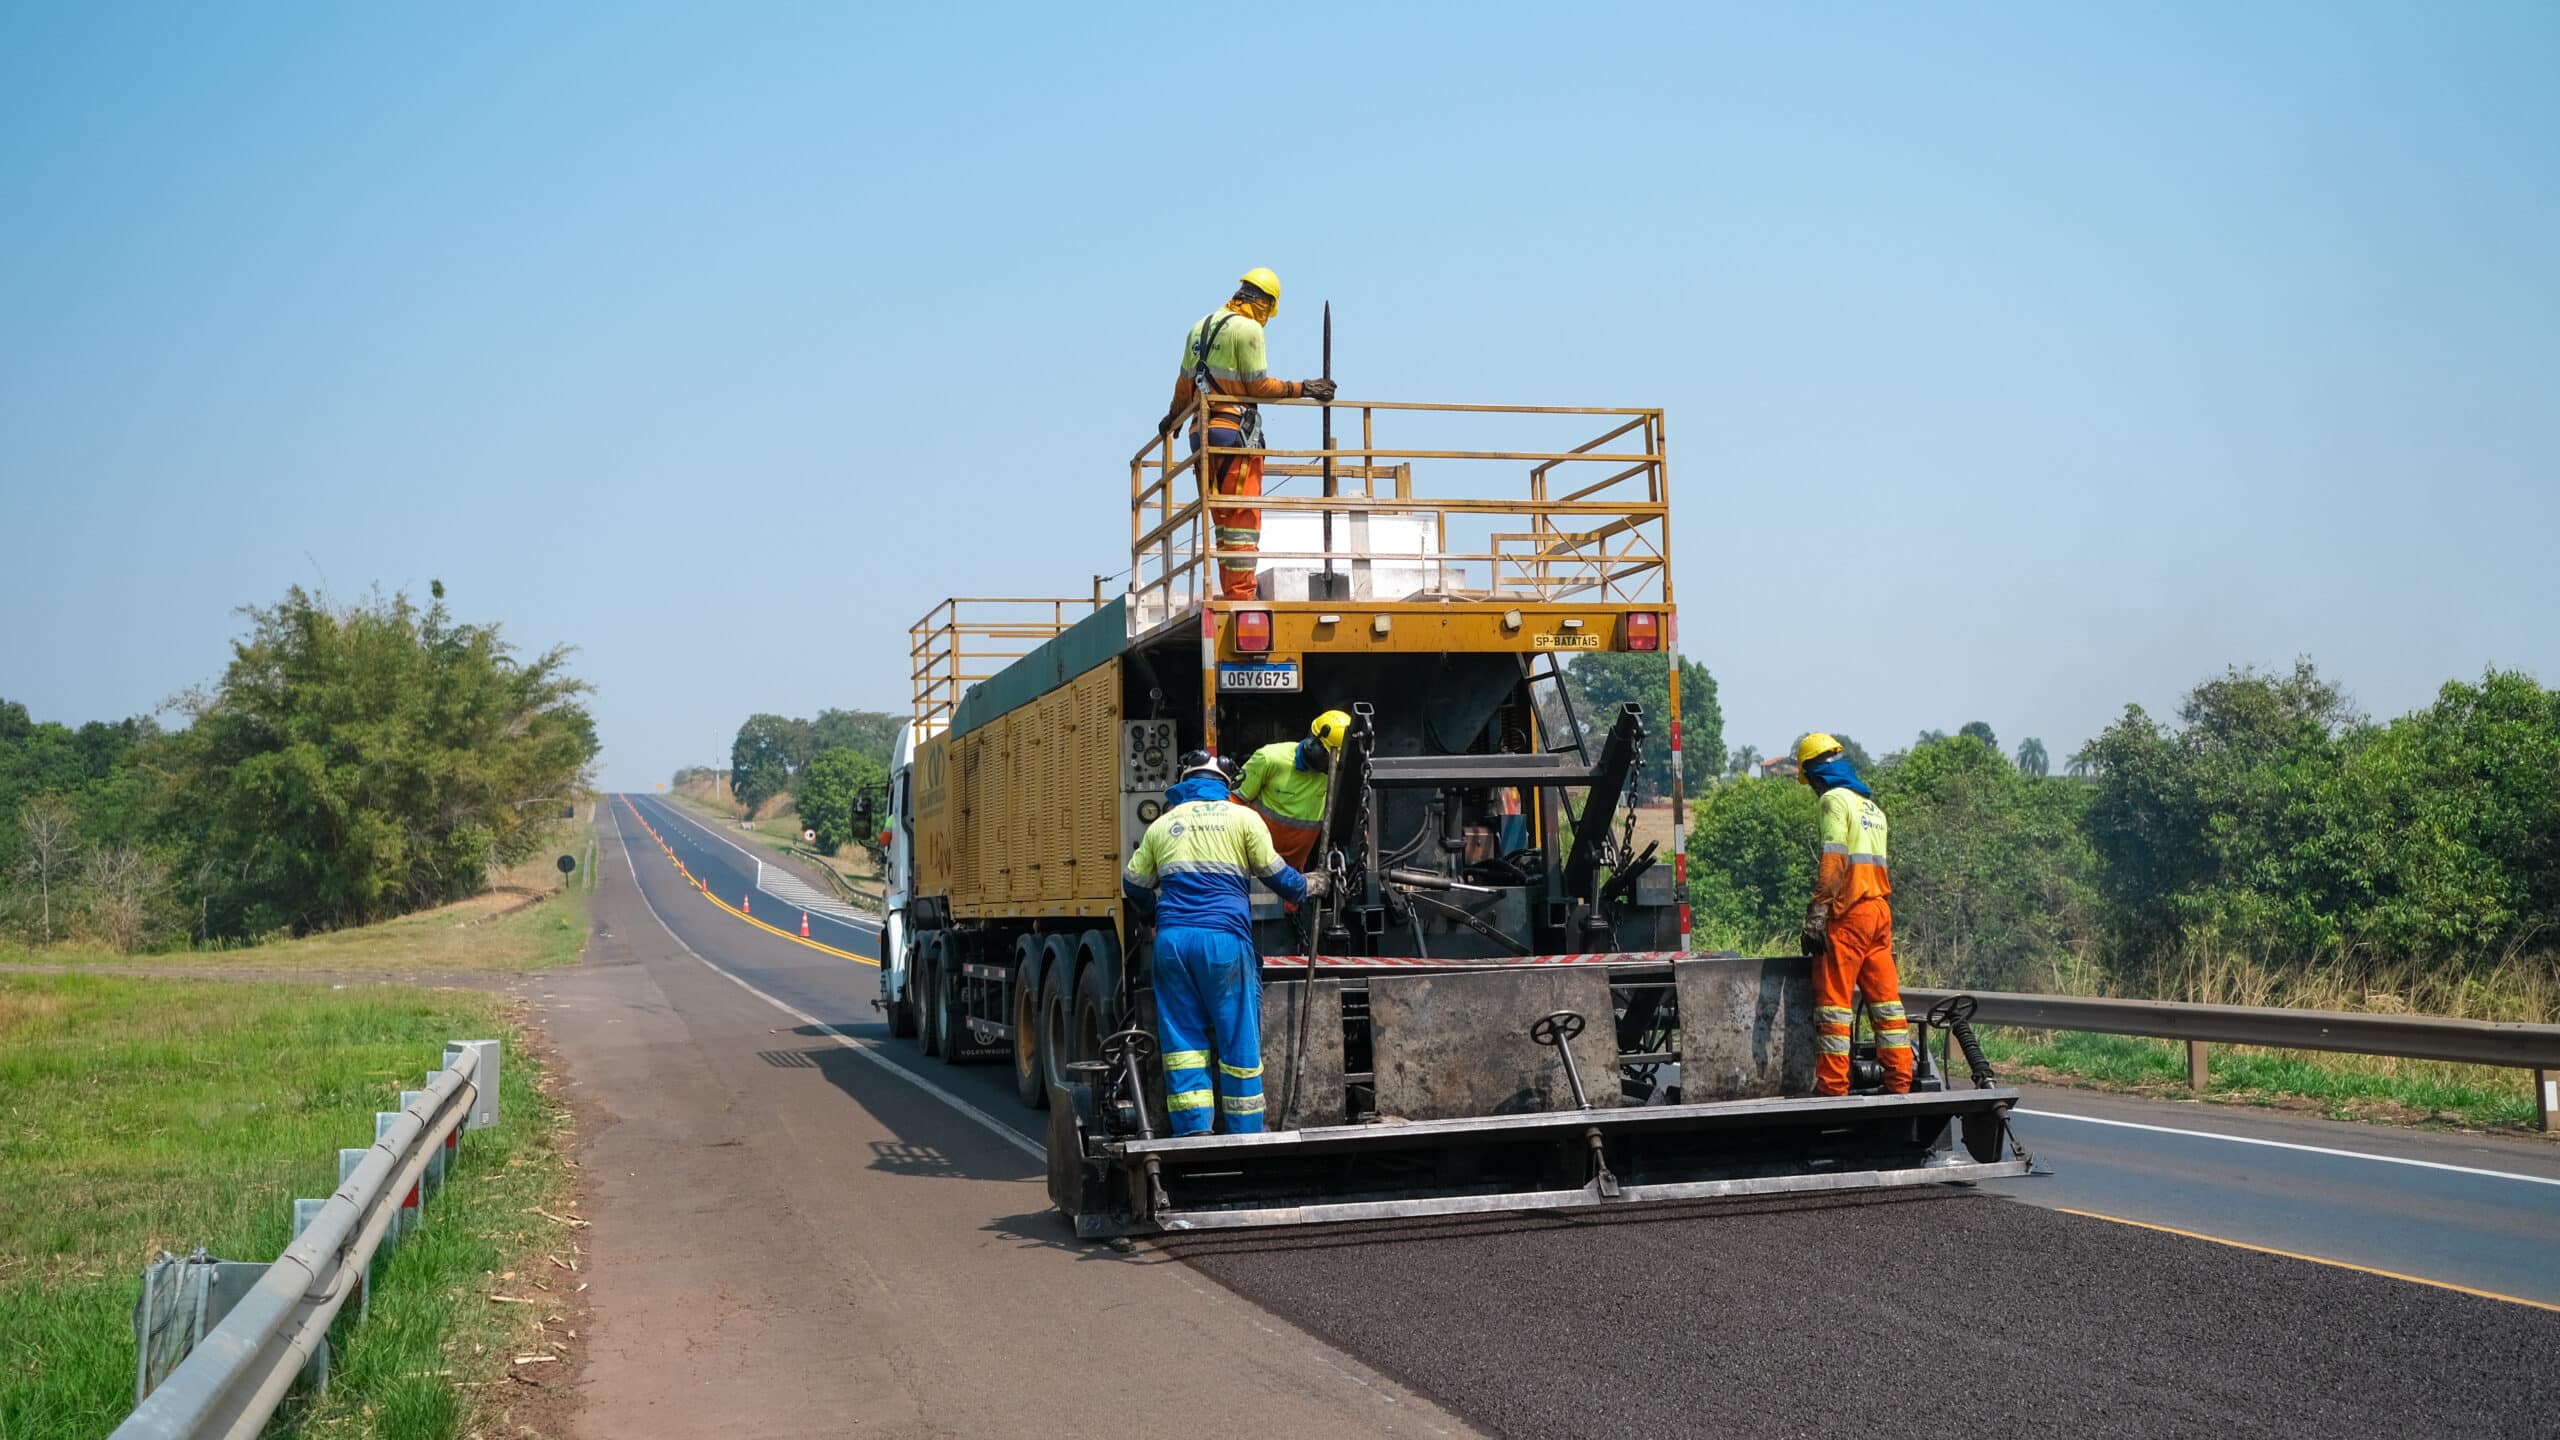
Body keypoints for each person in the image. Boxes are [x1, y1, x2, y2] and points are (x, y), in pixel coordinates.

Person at [1123, 751, 1317, 1134]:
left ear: (1186, 781)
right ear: (1225, 785)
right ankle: (1245, 1131)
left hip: (1173, 944)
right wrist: (1310, 885)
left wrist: (1151, 915)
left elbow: (1133, 883)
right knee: (1237, 1034)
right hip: (1224, 942)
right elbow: (1275, 874)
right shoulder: (1244, 818)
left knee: (1182, 1039)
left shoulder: (1163, 825)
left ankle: (1193, 1130)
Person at [1157, 268, 1338, 601]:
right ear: (1264, 303)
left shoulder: (1199, 328)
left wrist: (1173, 418)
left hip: (1201, 438)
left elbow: (1184, 386)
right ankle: (1240, 596)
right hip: (1234, 435)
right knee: (1243, 519)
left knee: (1224, 520)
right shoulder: (1249, 329)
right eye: (1269, 310)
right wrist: (1305, 388)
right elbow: (1258, 386)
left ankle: (1232, 591)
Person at [1796, 732, 1910, 1095]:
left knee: (1833, 1006)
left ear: (1816, 775)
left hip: (1850, 914)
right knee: (1888, 1006)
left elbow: (1834, 859)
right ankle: (1900, 1085)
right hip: (1879, 912)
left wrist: (1818, 912)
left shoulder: (1834, 801)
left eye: (1810, 782)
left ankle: (1832, 1090)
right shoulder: (1873, 809)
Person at [1231, 709, 1350, 870]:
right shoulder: (1269, 758)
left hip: (1293, 872)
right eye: (1330, 760)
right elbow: (1233, 804)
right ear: (1314, 746)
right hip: (1252, 865)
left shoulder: (1331, 776)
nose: (1332, 768)